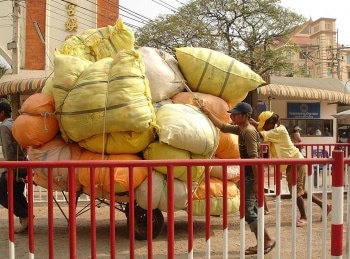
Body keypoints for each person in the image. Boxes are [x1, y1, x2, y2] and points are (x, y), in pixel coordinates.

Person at [201, 102, 275, 255]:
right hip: (248, 175)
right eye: (232, 113)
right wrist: (207, 112)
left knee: (247, 211)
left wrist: (256, 182)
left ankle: (266, 240)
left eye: (236, 114)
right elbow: (222, 126)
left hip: (251, 176)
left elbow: (254, 159)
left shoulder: (248, 131)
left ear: (246, 116)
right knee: (251, 209)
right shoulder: (240, 129)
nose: (232, 116)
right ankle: (265, 240)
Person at [251, 111, 332, 227]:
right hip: (290, 164)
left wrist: (248, 126)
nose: (263, 127)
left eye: (265, 124)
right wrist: (255, 123)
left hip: (296, 162)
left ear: (271, 123)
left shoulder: (279, 130)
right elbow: (263, 129)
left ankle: (304, 217)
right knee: (300, 191)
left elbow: (259, 135)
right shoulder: (274, 129)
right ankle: (324, 205)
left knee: (295, 192)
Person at [0, 102, 29, 233]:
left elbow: (8, 149)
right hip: (23, 164)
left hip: (13, 166)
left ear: (2, 113)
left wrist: (8, 169)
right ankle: (27, 222)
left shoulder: (5, 127)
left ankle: (25, 215)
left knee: (1, 195)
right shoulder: (15, 124)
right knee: (17, 194)